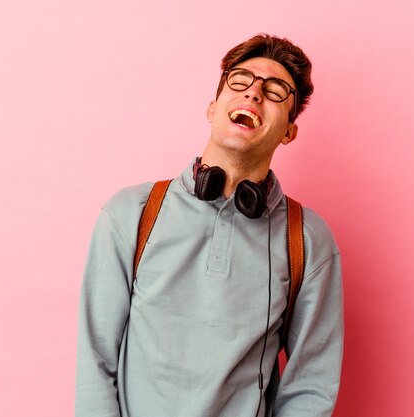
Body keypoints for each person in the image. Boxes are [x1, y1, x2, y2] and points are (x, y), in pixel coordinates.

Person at [75, 34, 344, 417]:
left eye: (275, 90)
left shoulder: (307, 240)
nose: (253, 93)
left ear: (288, 131)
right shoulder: (130, 213)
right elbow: (96, 360)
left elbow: (312, 385)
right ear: (213, 107)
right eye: (240, 81)